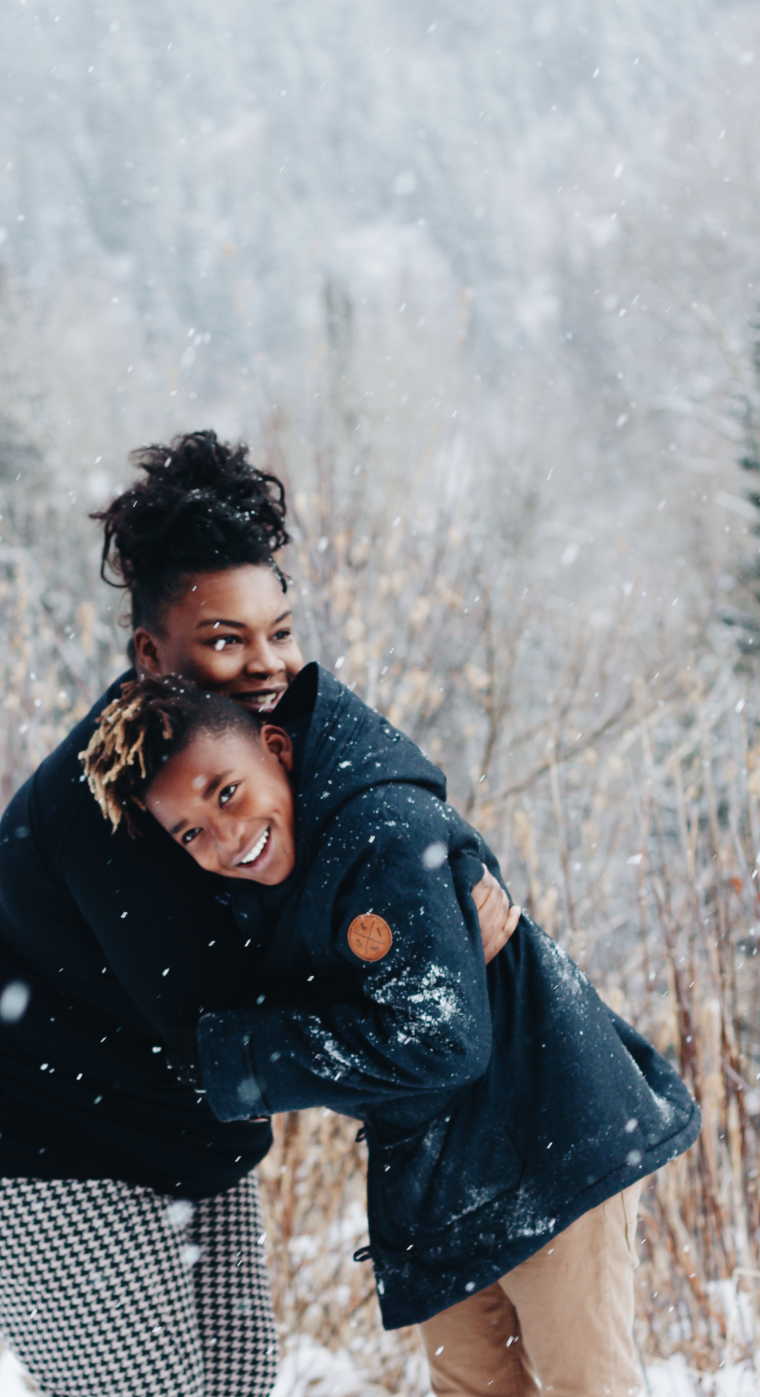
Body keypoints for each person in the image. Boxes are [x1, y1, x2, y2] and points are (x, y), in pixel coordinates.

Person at [0, 431, 516, 1397]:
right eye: (225, 640)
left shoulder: (241, 750)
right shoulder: (112, 805)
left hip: (187, 1136)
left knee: (236, 1383)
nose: (268, 662)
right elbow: (218, 1016)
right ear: (151, 652)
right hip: (43, 1148)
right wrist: (413, 968)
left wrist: (448, 882)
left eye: (279, 630)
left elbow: (363, 817)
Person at [82, 664, 702, 1397]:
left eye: (228, 791)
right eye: (193, 830)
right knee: (471, 1386)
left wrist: (243, 1056)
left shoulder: (383, 830)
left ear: (276, 747)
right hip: (436, 1169)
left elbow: (440, 1038)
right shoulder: (261, 883)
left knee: (586, 1385)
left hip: (550, 1131)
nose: (228, 835)